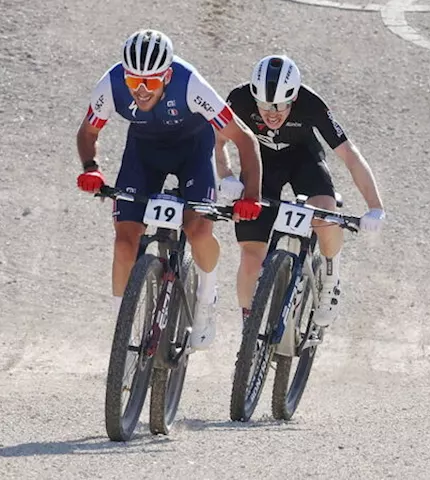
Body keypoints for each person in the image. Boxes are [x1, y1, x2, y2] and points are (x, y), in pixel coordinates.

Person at [76, 29, 264, 350]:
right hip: (143, 154)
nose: (142, 91)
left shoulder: (190, 84)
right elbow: (88, 132)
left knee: (198, 230)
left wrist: (252, 195)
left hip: (192, 152)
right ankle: (121, 332)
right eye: (135, 83)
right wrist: (91, 168)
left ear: (168, 74)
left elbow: (244, 138)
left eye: (151, 82)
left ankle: (206, 296)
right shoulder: (110, 84)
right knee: (124, 242)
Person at [214, 54, 385, 328]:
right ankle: (249, 331)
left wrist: (375, 206)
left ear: (293, 98)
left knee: (324, 215)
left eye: (281, 105)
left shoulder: (311, 103)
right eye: (264, 104)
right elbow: (218, 141)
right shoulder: (239, 99)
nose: (272, 112)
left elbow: (350, 155)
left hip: (304, 160)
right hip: (261, 165)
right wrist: (227, 176)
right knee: (250, 256)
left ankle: (330, 279)